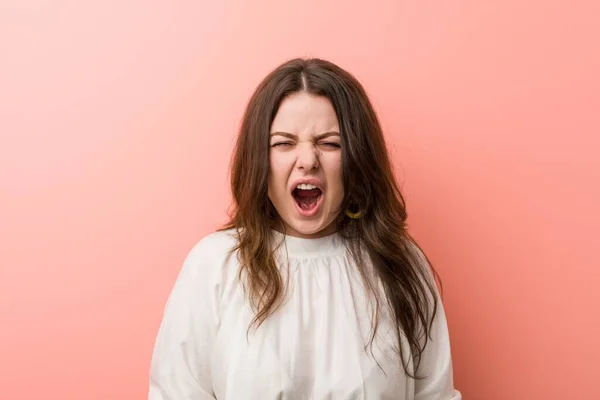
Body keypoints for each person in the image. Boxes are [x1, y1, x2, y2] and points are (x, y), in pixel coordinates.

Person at [149, 58, 462, 399]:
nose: (308, 159)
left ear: (356, 157)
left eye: (329, 143)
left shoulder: (401, 265)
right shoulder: (215, 264)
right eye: (284, 143)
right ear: (260, 160)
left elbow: (436, 395)